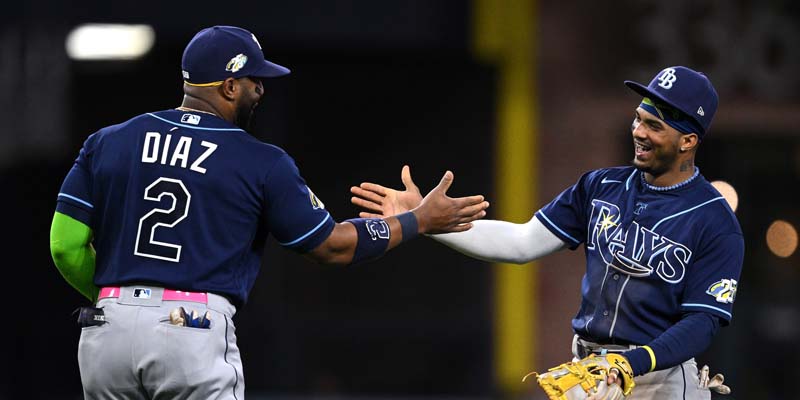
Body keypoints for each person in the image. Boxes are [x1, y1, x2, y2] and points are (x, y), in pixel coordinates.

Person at [49, 25, 489, 399]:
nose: (261, 88)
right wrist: (417, 220)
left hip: (107, 329)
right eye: (255, 79)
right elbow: (332, 246)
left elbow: (65, 247)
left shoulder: (109, 140)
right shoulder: (259, 160)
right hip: (189, 326)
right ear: (228, 85)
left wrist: (123, 305)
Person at [351, 66, 743, 399]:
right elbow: (522, 242)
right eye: (638, 118)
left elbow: (703, 322)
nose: (639, 131)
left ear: (688, 141)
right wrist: (423, 221)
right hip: (590, 372)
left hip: (658, 381)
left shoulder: (716, 223)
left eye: (654, 126)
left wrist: (632, 362)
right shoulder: (600, 186)